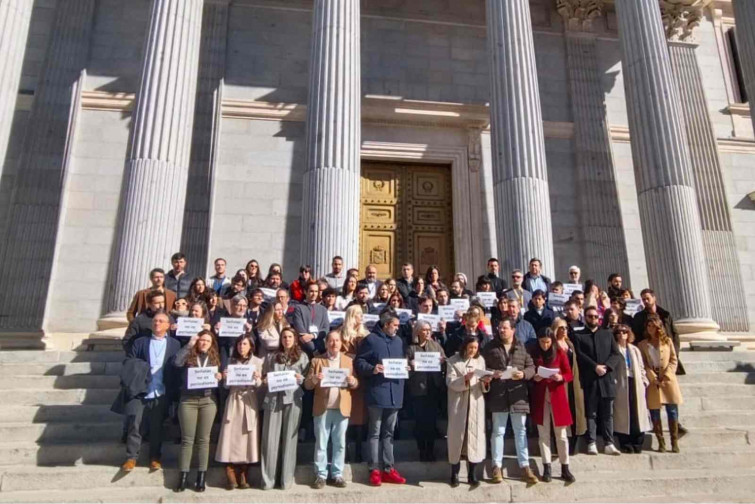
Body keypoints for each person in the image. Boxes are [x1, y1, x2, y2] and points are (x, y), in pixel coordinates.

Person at [117, 312, 180, 473]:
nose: (157, 323)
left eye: (161, 321)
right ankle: (131, 457)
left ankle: (155, 457)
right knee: (135, 424)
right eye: (155, 321)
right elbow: (130, 361)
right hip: (140, 390)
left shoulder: (174, 344)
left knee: (157, 426)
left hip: (161, 391)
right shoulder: (140, 342)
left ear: (168, 325)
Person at [355, 311, 408, 487]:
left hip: (395, 393)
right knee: (375, 432)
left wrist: (406, 366)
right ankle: (374, 469)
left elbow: (400, 362)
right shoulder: (371, 340)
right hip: (378, 392)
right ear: (386, 325)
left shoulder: (399, 341)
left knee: (389, 433)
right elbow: (359, 362)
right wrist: (372, 368)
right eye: (395, 325)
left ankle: (388, 468)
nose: (397, 328)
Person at [483, 317, 538, 484]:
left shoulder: (522, 347)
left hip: (518, 396)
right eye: (500, 327)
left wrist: (524, 374)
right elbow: (483, 366)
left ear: (513, 330)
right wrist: (493, 373)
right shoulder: (490, 347)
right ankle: (496, 467)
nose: (501, 330)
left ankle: (525, 466)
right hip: (499, 395)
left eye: (505, 328)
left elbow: (531, 367)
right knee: (498, 432)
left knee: (520, 431)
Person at [305, 331, 359, 489]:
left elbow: (356, 384)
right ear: (326, 343)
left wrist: (353, 381)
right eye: (331, 341)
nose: (334, 343)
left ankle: (337, 474)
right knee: (321, 443)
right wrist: (315, 379)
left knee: (340, 443)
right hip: (323, 408)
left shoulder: (348, 361)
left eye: (337, 340)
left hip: (341, 409)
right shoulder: (317, 360)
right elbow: (307, 385)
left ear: (341, 343)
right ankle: (321, 475)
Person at [260, 327, 309, 490]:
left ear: (295, 339)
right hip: (273, 400)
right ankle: (268, 480)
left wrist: (301, 378)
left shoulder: (303, 357)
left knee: (290, 440)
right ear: (281, 340)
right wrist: (265, 381)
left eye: (290, 336)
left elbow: (307, 380)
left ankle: (286, 480)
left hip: (293, 399)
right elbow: (264, 376)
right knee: (270, 440)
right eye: (284, 337)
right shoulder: (272, 356)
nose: (287, 339)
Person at [174, 330, 222, 492]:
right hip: (188, 400)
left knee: (203, 440)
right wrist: (189, 344)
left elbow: (220, 377)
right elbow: (176, 362)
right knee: (187, 440)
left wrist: (219, 377)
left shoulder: (215, 358)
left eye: (208, 341)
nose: (204, 343)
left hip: (208, 401)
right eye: (202, 340)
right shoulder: (189, 355)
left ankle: (201, 477)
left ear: (211, 344)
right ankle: (183, 476)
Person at [215, 334, 263, 490]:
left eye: (245, 344)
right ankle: (229, 470)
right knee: (231, 434)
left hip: (249, 400)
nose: (241, 347)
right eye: (239, 344)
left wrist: (257, 378)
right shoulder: (230, 361)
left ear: (250, 346)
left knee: (247, 436)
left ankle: (243, 472)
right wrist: (225, 378)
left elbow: (260, 385)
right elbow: (226, 387)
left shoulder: (257, 361)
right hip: (234, 399)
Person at [573, 306, 623, 456]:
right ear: (585, 317)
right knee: (591, 413)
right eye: (589, 316)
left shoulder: (607, 334)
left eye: (595, 316)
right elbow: (580, 355)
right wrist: (594, 367)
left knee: (608, 414)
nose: (593, 319)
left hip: (606, 379)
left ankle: (609, 443)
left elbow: (616, 354)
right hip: (590, 380)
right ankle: (591, 442)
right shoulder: (579, 335)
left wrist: (607, 367)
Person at [531, 328, 576, 483]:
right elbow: (530, 371)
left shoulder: (559, 353)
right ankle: (547, 467)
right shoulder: (535, 354)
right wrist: (535, 377)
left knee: (561, 435)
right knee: (543, 435)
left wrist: (560, 377)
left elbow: (570, 374)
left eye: (548, 342)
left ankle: (565, 467)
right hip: (541, 396)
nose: (545, 345)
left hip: (557, 396)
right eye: (542, 342)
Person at [446, 336, 490, 488]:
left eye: (475, 348)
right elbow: (450, 382)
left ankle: (473, 474)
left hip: (476, 401)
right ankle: (455, 473)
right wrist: (465, 379)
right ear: (465, 346)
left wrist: (486, 382)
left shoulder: (480, 360)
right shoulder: (453, 360)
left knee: (474, 437)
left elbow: (483, 384)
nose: (473, 351)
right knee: (457, 437)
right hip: (459, 402)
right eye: (470, 347)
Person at [638, 314, 684, 453]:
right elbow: (644, 363)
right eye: (648, 326)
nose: (650, 328)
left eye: (653, 326)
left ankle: (674, 441)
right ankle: (661, 441)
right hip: (653, 379)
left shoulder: (667, 341)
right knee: (654, 411)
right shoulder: (642, 344)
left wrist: (668, 374)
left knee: (672, 410)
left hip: (667, 378)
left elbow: (673, 359)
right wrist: (652, 376)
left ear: (658, 327)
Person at [406, 320, 447, 462]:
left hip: (433, 389)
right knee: (420, 422)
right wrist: (410, 365)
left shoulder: (436, 346)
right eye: (424, 329)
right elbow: (405, 369)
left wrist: (443, 361)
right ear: (418, 331)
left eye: (429, 329)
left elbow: (445, 362)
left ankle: (430, 450)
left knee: (431, 422)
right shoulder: (411, 348)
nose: (428, 332)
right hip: (418, 390)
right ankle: (421, 450)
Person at [612, 324, 651, 454]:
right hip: (621, 383)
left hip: (635, 382)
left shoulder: (634, 349)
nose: (621, 334)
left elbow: (640, 366)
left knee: (637, 412)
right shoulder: (614, 349)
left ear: (629, 334)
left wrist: (644, 381)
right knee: (623, 413)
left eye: (624, 332)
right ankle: (625, 443)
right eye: (619, 332)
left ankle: (637, 442)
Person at [551, 318, 586, 455]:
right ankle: (560, 447)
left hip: (573, 382)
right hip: (559, 383)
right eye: (561, 328)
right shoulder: (553, 345)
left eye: (565, 328)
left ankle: (574, 445)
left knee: (575, 411)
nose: (564, 330)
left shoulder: (570, 344)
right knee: (561, 413)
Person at [340, 305, 370, 462]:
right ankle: (344, 452)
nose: (361, 317)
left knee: (359, 416)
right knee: (345, 415)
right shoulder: (340, 333)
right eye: (358, 314)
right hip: (345, 377)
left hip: (360, 378)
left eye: (362, 314)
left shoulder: (366, 334)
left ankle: (359, 451)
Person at [633, 289, 685, 375]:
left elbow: (674, 334)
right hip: (650, 355)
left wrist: (674, 352)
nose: (645, 301)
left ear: (654, 298)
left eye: (647, 298)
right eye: (643, 299)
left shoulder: (665, 314)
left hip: (667, 353)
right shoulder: (639, 317)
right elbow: (637, 337)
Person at [214, 294, 253, 369]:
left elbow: (254, 344)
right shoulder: (222, 321)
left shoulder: (249, 322)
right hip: (227, 357)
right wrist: (216, 332)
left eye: (244, 306)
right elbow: (217, 343)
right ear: (232, 306)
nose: (242, 308)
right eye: (239, 305)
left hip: (244, 360)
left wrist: (249, 332)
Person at [292, 281, 329, 356]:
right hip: (304, 346)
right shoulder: (298, 308)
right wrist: (307, 338)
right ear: (305, 292)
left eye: (316, 291)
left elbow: (326, 329)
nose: (314, 294)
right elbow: (299, 327)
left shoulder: (323, 309)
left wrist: (313, 335)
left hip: (320, 345)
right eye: (311, 291)